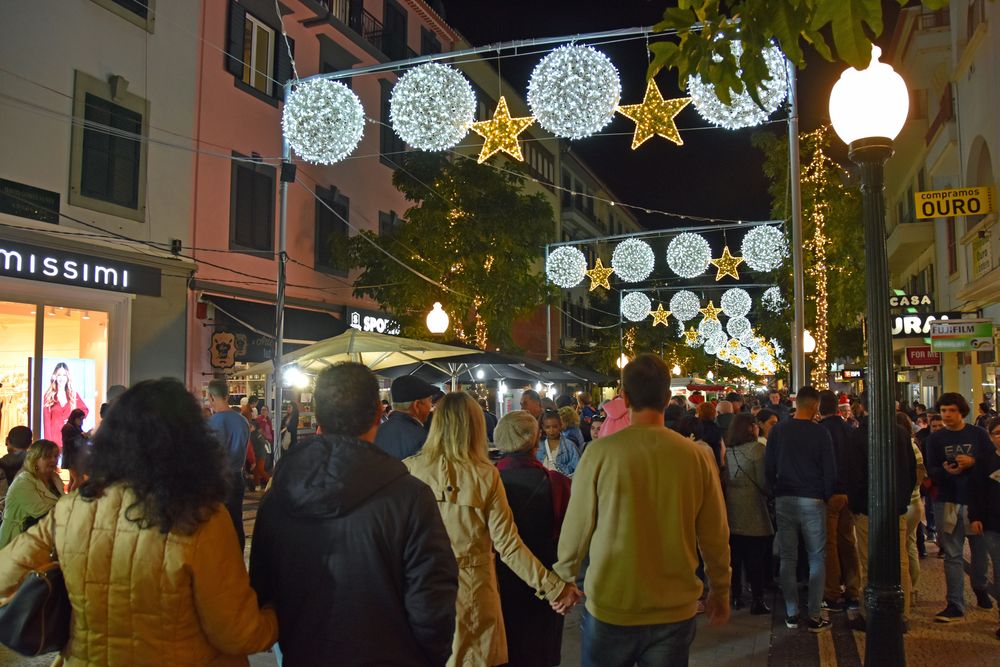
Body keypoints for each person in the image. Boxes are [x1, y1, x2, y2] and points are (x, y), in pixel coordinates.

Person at [0, 378, 278, 664]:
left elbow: (4, 576)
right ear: (192, 444)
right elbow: (236, 632)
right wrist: (274, 618)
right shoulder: (201, 517)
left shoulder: (72, 510)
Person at [250, 363, 458, 665]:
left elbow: (262, 588)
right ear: (378, 412)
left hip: (303, 653)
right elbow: (433, 601)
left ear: (318, 415)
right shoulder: (410, 497)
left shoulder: (279, 496)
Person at [554, 354, 731, 666]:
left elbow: (577, 525)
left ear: (624, 397)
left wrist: (564, 578)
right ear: (666, 397)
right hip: (674, 606)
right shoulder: (695, 456)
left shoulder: (599, 454)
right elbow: (714, 533)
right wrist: (720, 588)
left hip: (613, 602)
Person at [404, 392, 579, 667]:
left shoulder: (409, 471)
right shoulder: (484, 475)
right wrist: (554, 587)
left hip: (420, 593)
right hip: (473, 595)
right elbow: (508, 546)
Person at [493, 411, 572, 667]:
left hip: (498, 581)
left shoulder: (487, 481)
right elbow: (571, 536)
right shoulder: (557, 483)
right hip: (547, 580)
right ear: (535, 440)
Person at [764, 385, 835, 632]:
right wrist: (825, 495)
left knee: (788, 557)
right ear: (815, 405)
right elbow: (829, 469)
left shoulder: (778, 431)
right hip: (812, 499)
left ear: (796, 403)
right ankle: (814, 613)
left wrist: (774, 490)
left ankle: (792, 612)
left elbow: (768, 466)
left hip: (785, 497)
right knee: (816, 556)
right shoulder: (820, 433)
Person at [844, 398, 916, 631]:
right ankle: (902, 615)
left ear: (863, 408)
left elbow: (853, 476)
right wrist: (903, 500)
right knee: (900, 560)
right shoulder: (901, 433)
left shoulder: (858, 436)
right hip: (896, 507)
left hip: (868, 508)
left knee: (868, 561)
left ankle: (869, 614)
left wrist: (855, 505)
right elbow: (911, 471)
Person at [925, 392, 994, 622]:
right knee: (952, 554)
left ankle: (980, 587)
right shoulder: (935, 439)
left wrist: (973, 462)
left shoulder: (978, 435)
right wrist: (945, 470)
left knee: (979, 549)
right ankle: (955, 602)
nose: (947, 415)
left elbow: (990, 464)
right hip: (947, 499)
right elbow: (931, 469)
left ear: (961, 411)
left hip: (975, 499)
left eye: (951, 410)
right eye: (943, 411)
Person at [724, 413, 773, 615]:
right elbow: (763, 482)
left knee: (735, 558)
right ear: (750, 428)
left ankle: (736, 596)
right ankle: (757, 600)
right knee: (756, 558)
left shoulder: (728, 451)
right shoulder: (758, 449)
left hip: (732, 510)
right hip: (754, 509)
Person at [816, 390, 861, 612]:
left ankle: (832, 592)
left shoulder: (820, 432)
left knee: (829, 544)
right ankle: (853, 591)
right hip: (849, 494)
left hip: (829, 494)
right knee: (848, 542)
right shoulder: (850, 430)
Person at [206, 378, 250, 552]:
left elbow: (211, 455)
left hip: (219, 479)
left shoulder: (213, 422)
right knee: (236, 520)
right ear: (228, 395)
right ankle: (237, 556)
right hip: (238, 476)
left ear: (210, 397)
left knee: (218, 522)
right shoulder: (243, 421)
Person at [969, 415, 1000, 639]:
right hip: (992, 524)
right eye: (996, 433)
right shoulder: (986, 461)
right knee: (999, 569)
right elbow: (977, 491)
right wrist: (976, 516)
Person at [0, 439, 62, 549]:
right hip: (17, 542)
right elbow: (41, 513)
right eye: (48, 456)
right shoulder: (24, 481)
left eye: (56, 456)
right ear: (35, 459)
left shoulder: (54, 478)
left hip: (42, 536)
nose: (54, 460)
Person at [897, 411, 925, 609]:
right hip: (915, 502)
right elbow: (920, 473)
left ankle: (904, 591)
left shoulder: (902, 446)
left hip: (905, 503)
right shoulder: (914, 445)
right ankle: (912, 587)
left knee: (901, 551)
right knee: (910, 545)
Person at [375, 376, 441, 459]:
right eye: (429, 400)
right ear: (416, 405)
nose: (431, 406)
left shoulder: (378, 432)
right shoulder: (422, 439)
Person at [42, 361, 88, 442]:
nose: (61, 378)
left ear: (67, 377)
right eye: (59, 375)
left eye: (64, 375)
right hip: (54, 438)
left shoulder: (73, 395)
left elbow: (85, 410)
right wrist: (48, 443)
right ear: (55, 377)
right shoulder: (48, 396)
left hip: (70, 437)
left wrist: (74, 419)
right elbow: (46, 423)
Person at [538, 410, 580, 479]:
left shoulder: (569, 446)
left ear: (560, 426)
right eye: (548, 427)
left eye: (555, 427)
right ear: (543, 427)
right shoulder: (538, 446)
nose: (551, 430)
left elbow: (578, 469)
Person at [60, 407, 88, 491]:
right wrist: (82, 436)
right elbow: (70, 442)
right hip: (71, 457)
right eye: (80, 419)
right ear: (75, 418)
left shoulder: (74, 427)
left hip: (72, 457)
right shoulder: (68, 427)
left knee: (73, 480)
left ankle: (69, 498)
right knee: (78, 479)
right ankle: (71, 499)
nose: (81, 421)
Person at [697, 401, 725, 471]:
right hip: (715, 464)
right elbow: (722, 449)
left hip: (700, 465)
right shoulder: (716, 428)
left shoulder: (696, 428)